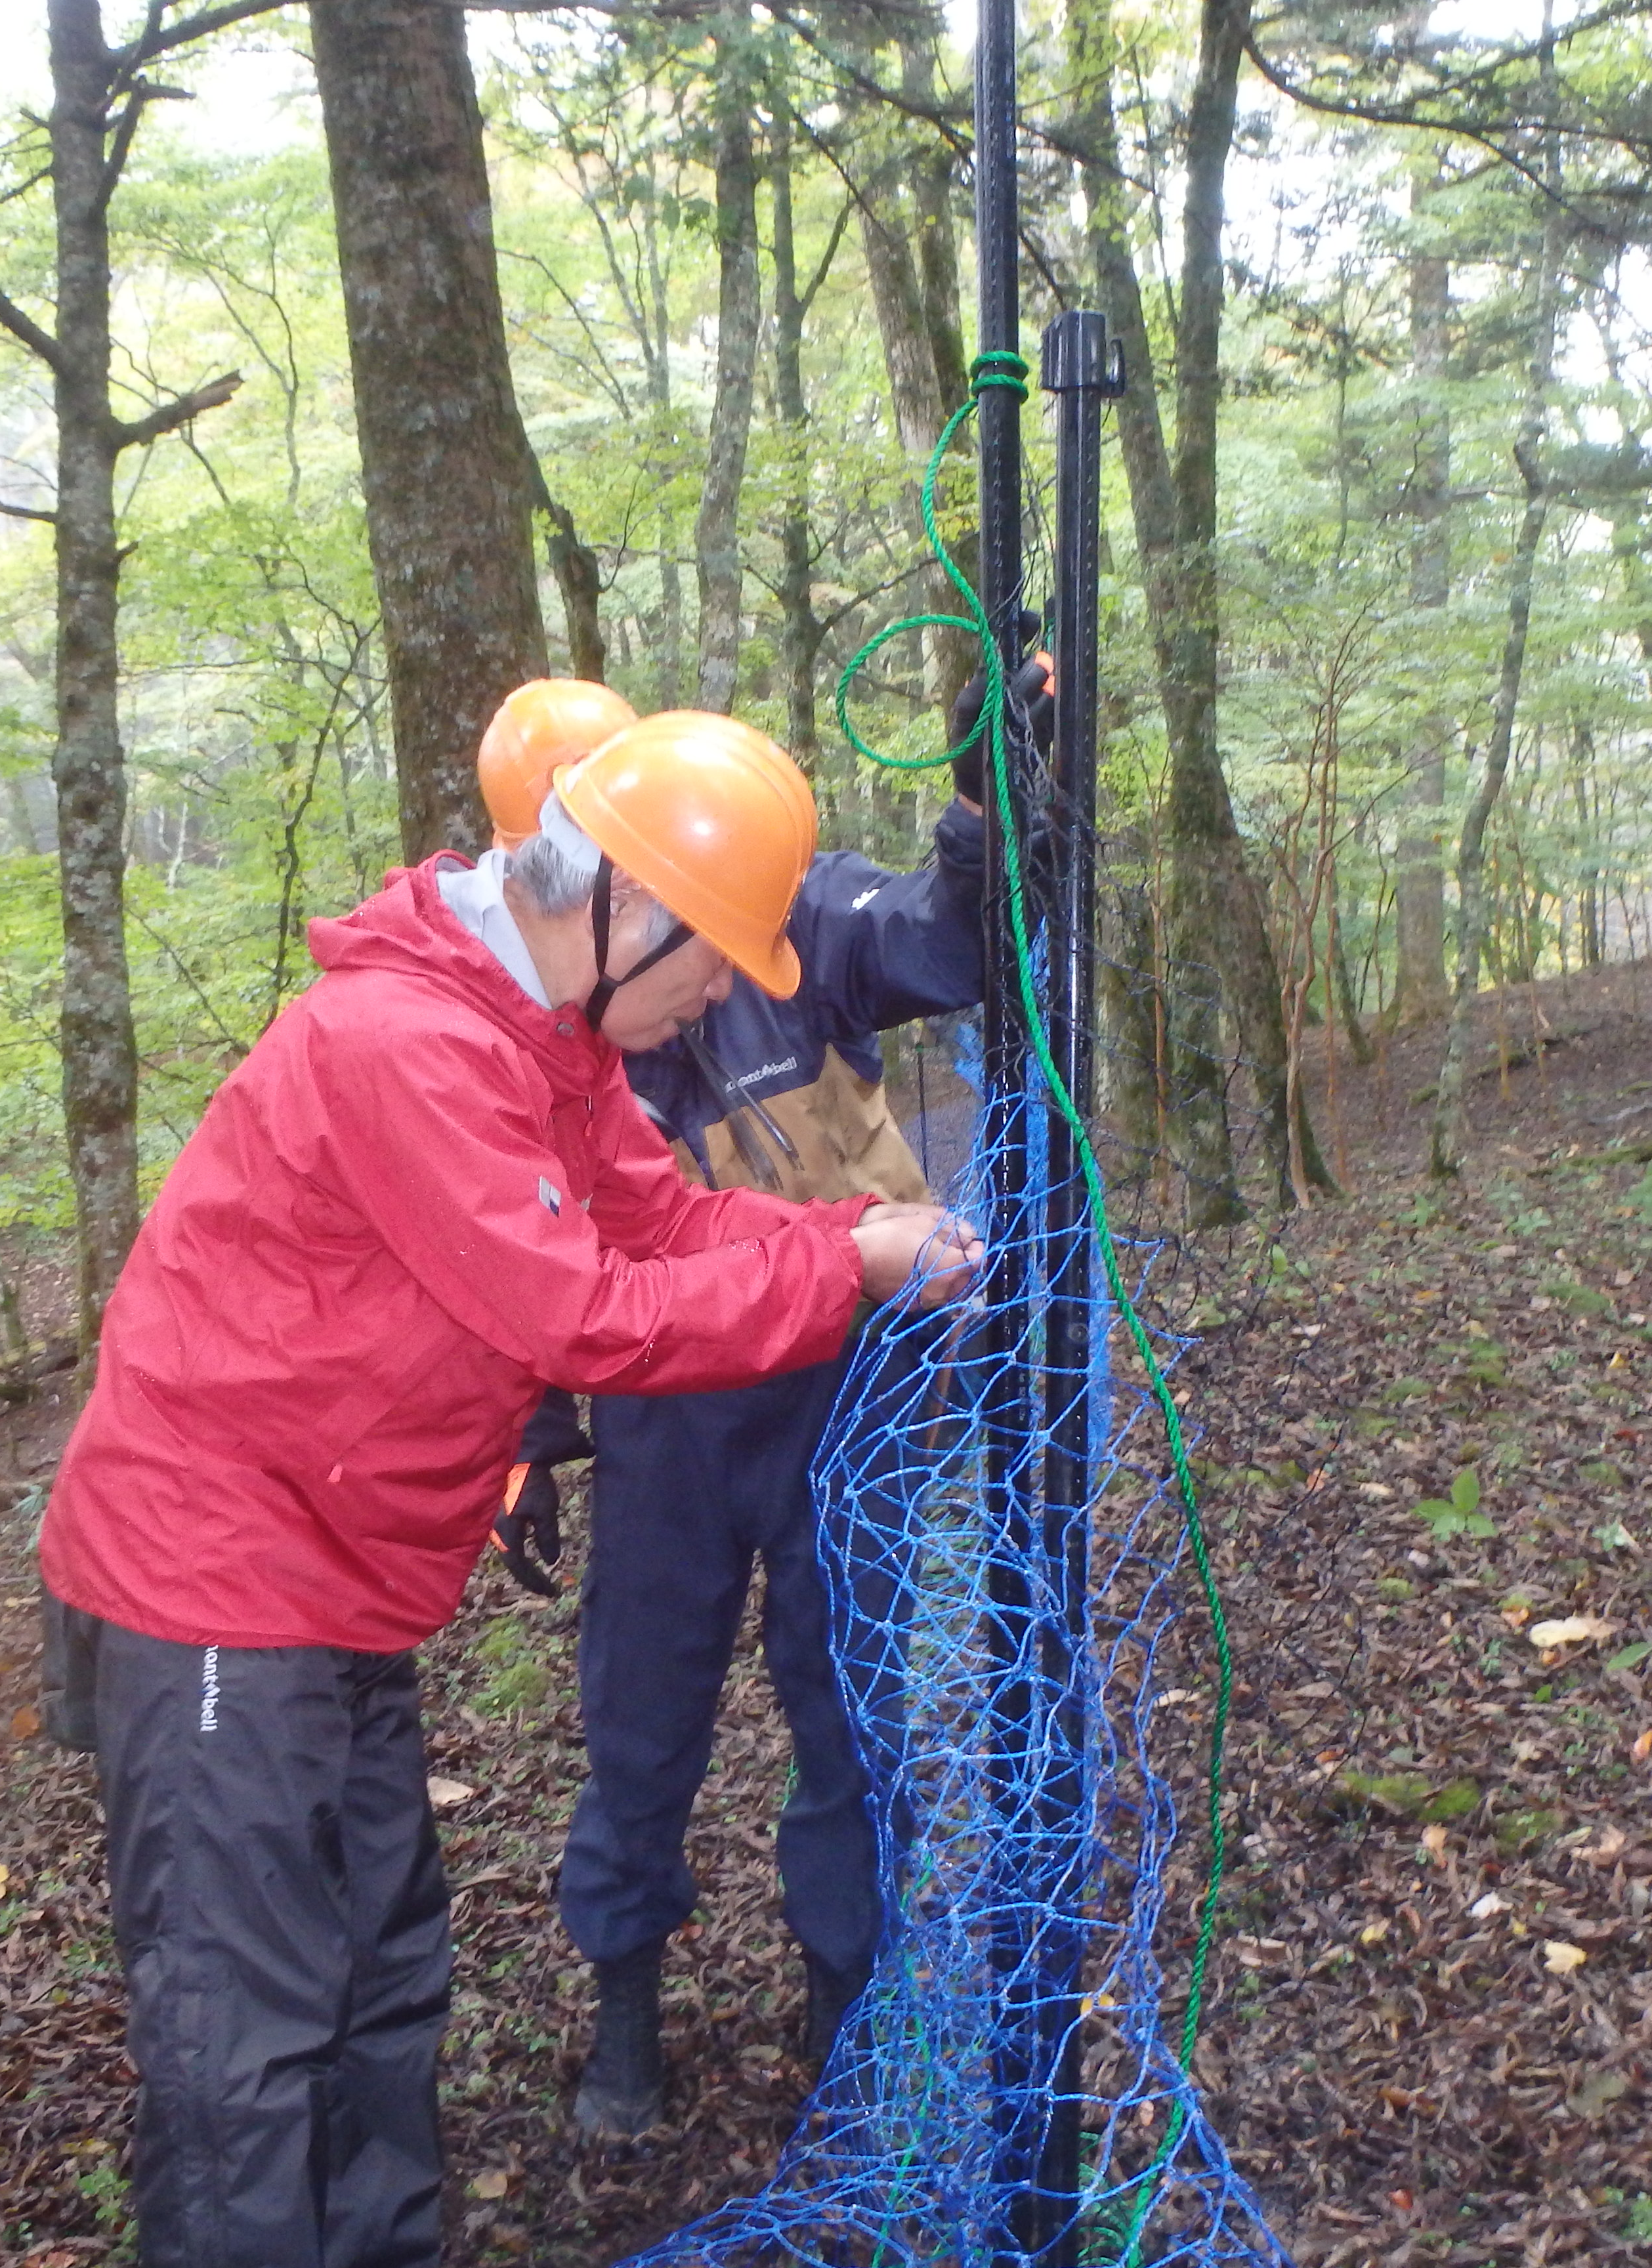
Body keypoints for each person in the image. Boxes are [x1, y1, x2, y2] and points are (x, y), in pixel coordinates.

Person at [36, 707, 981, 2268]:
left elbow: (664, 1226)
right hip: (214, 1586)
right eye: (710, 960)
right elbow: (585, 1314)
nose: (720, 998)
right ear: (622, 904)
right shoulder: (408, 1045)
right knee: (246, 2050)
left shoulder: (548, 1041)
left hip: (338, 1584)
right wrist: (842, 1274)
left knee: (384, 1978)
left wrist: (851, 1250)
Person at [489, 658, 1053, 2137]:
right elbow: (530, 1243)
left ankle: (840, 1994)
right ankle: (625, 2013)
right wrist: (536, 1439)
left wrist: (987, 810)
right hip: (665, 1408)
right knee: (641, 1707)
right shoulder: (545, 1013)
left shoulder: (790, 913)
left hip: (845, 1386)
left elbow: (953, 947)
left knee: (847, 1689)